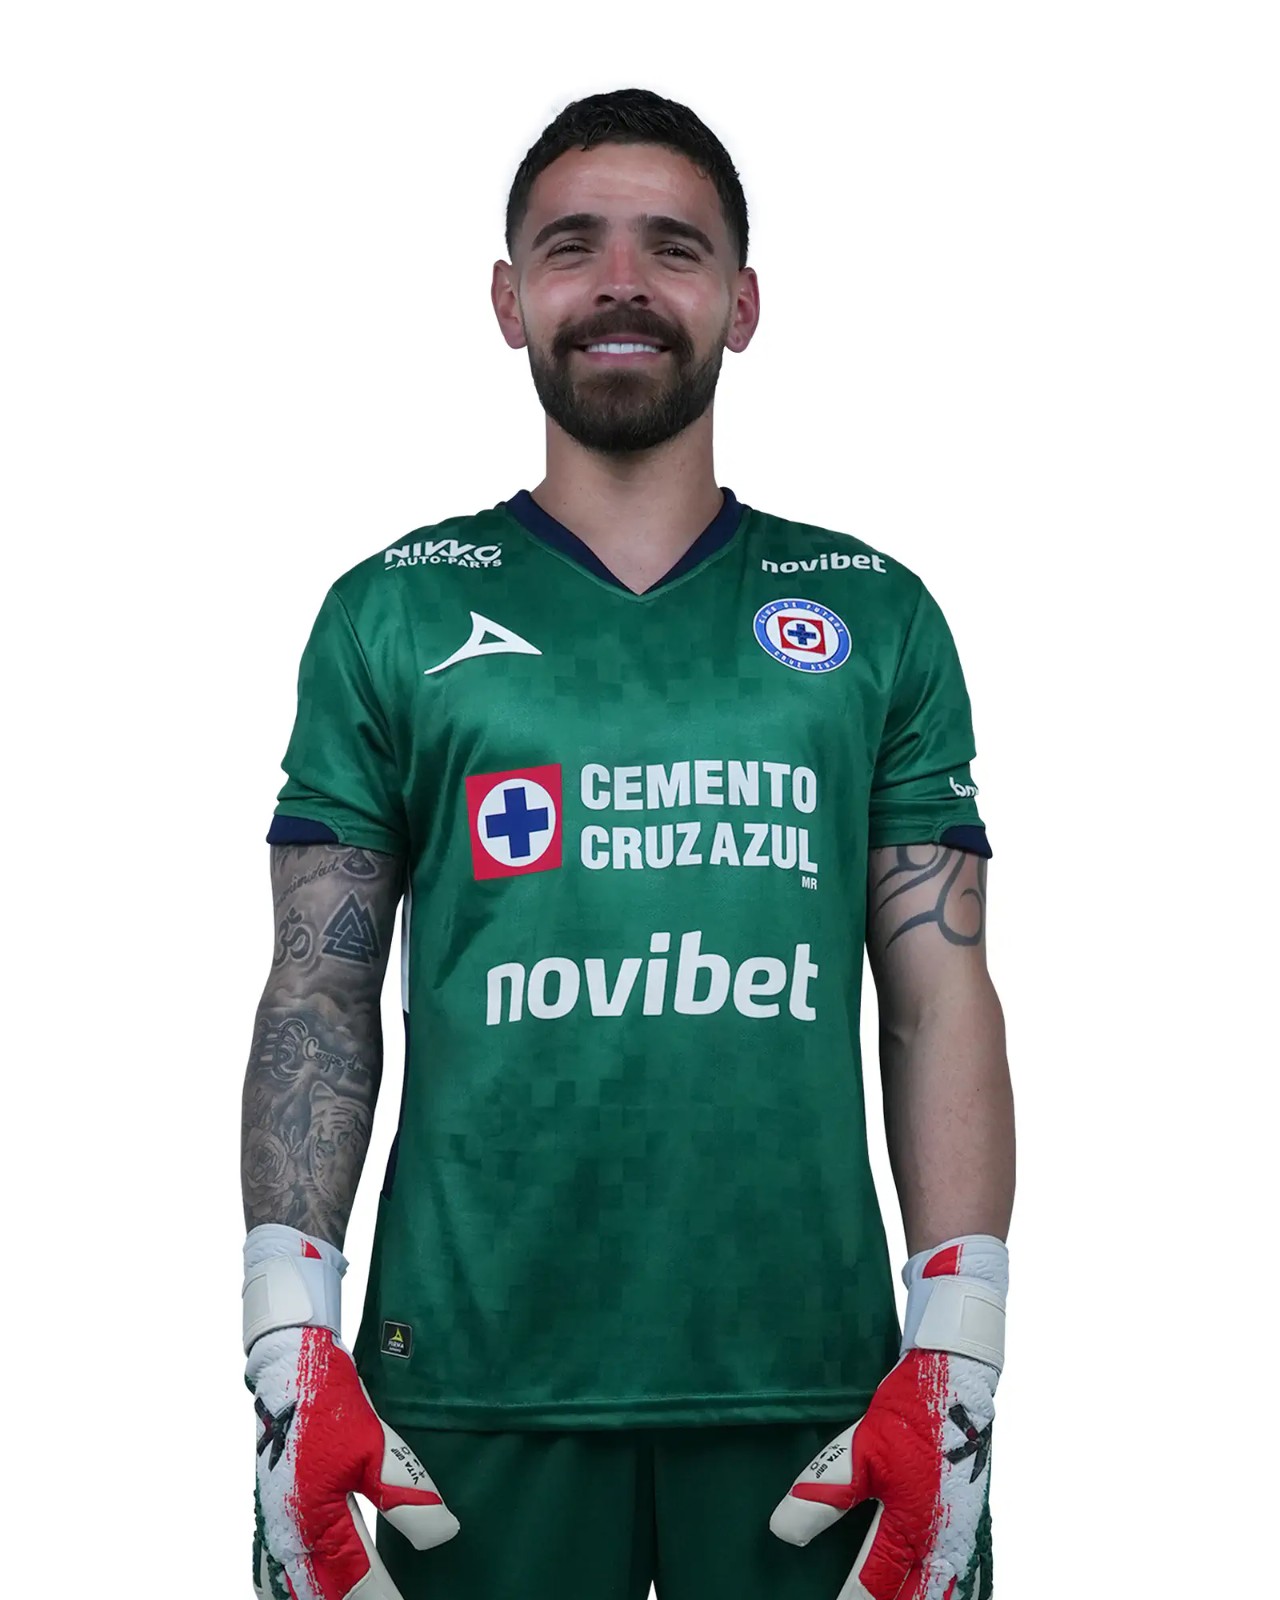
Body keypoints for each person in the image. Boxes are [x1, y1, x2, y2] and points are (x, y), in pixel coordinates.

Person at [240, 86, 1016, 1600]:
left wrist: (962, 1345)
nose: (619, 283)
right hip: (458, 1385)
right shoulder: (391, 609)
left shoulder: (875, 612)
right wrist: (285, 1336)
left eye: (672, 247)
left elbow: (940, 996)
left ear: (742, 303)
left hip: (820, 1384)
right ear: (507, 298)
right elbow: (317, 988)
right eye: (571, 246)